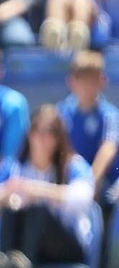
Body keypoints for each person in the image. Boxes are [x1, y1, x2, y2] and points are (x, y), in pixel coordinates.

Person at [0, 104, 97, 268]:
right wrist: (7, 198)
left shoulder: (73, 166)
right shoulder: (14, 167)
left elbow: (83, 198)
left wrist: (35, 190)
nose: (41, 138)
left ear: (59, 137)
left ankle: (23, 266)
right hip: (24, 243)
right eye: (37, 130)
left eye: (50, 132)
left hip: (66, 248)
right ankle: (6, 263)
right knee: (11, 210)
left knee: (37, 210)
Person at [57, 50, 119, 240]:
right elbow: (61, 148)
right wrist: (81, 181)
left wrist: (91, 180)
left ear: (103, 81)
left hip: (103, 180)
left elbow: (108, 147)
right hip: (72, 178)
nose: (88, 85)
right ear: (71, 81)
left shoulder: (109, 114)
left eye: (93, 79)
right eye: (83, 79)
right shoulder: (62, 112)